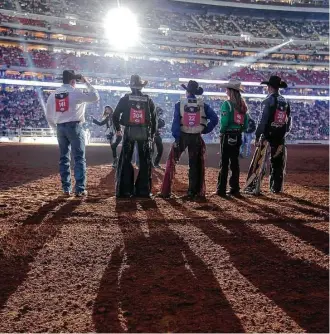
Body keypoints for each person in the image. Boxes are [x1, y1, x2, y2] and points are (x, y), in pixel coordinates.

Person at [160, 80, 218, 199]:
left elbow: (176, 122)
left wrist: (176, 138)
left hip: (182, 135)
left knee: (172, 161)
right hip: (196, 136)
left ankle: (166, 191)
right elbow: (215, 119)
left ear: (186, 91)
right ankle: (193, 192)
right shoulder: (202, 105)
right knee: (195, 164)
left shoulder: (179, 104)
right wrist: (205, 129)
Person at [45, 70, 99, 197]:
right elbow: (95, 96)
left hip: (60, 127)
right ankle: (79, 189)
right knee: (79, 158)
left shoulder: (53, 95)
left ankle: (66, 188)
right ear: (73, 81)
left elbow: (48, 115)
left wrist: (56, 127)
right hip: (74, 126)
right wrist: (86, 82)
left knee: (64, 158)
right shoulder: (75, 92)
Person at [113, 74, 157, 198]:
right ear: (141, 87)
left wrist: (118, 129)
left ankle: (125, 190)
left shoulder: (125, 99)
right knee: (144, 161)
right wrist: (152, 134)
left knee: (126, 160)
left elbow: (115, 115)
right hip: (144, 132)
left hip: (129, 131)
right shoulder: (148, 100)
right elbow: (154, 119)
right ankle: (143, 190)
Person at [250, 75, 292, 194]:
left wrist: (258, 136)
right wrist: (284, 131)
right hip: (280, 136)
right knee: (278, 162)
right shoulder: (285, 101)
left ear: (269, 87)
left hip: (267, 135)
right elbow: (289, 120)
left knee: (260, 161)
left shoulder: (268, 101)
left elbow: (262, 121)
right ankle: (276, 188)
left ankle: (256, 186)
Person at [216, 79, 249, 197]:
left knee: (224, 162)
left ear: (230, 91)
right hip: (238, 135)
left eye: (227, 89)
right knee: (234, 162)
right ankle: (235, 188)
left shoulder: (227, 104)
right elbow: (245, 125)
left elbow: (224, 122)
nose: (225, 91)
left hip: (228, 134)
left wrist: (221, 132)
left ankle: (221, 189)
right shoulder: (243, 106)